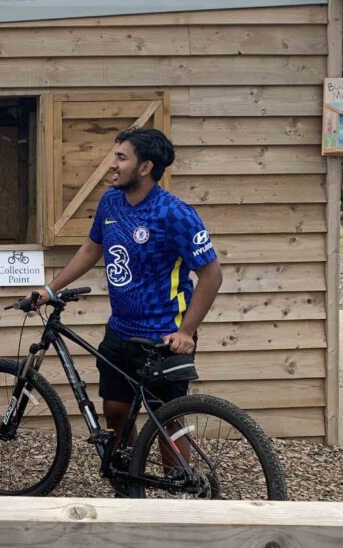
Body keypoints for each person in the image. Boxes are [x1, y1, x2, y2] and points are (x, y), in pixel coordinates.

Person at [37, 127, 223, 448]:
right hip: (120, 331)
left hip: (163, 336)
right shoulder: (111, 202)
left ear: (145, 167)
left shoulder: (175, 214)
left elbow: (211, 275)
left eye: (121, 157)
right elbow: (91, 249)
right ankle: (129, 483)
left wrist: (187, 332)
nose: (112, 164)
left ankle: (181, 492)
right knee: (115, 411)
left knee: (167, 422)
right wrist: (51, 289)